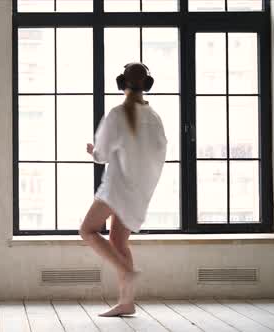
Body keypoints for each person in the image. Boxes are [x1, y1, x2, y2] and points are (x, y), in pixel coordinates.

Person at [81, 62, 167, 317]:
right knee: (118, 240)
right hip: (139, 191)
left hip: (118, 187)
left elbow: (102, 154)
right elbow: (157, 154)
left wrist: (92, 152)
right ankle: (126, 301)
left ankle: (125, 271)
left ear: (121, 84)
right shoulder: (155, 118)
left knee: (87, 229)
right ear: (147, 86)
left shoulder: (118, 114)